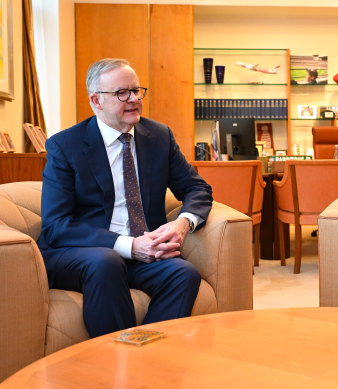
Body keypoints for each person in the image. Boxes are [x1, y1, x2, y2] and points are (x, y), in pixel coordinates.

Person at [37, 58, 213, 337]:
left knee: (184, 273)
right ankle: (114, 365)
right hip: (83, 253)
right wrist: (130, 246)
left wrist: (182, 223)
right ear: (96, 101)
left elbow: (197, 188)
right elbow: (56, 225)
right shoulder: (65, 146)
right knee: (107, 261)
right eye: (122, 93)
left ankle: (150, 355)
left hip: (142, 251)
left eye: (136, 90)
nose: (133, 99)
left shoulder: (159, 136)